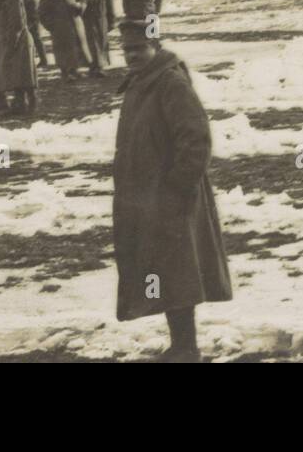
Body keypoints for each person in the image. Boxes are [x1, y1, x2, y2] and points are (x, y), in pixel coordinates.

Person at [112, 19, 232, 361]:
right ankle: (181, 344)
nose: (132, 56)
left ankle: (187, 347)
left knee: (177, 269)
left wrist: (177, 186)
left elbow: (196, 138)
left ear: (156, 47)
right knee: (163, 269)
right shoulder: (142, 83)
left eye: (139, 49)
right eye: (127, 50)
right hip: (149, 197)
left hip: (170, 197)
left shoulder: (169, 83)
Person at [0, 0, 39, 116]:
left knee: (24, 74)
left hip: (19, 41)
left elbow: (17, 25)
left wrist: (10, 45)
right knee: (17, 74)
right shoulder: (2, 0)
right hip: (11, 41)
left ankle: (31, 103)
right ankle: (20, 104)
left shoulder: (12, 0)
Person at [38, 0, 91, 79]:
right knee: (61, 49)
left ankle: (75, 70)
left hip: (73, 24)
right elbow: (42, 11)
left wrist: (80, 6)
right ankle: (65, 72)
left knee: (74, 48)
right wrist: (50, 25)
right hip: (59, 26)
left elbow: (82, 1)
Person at [80, 0, 115, 77]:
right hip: (88, 21)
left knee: (101, 43)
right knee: (91, 44)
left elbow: (110, 8)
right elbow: (79, 5)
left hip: (101, 21)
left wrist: (111, 21)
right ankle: (93, 67)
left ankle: (100, 67)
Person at [13, 0, 49, 69]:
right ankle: (42, 59)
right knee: (35, 38)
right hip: (33, 14)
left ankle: (42, 60)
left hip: (30, 15)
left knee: (33, 38)